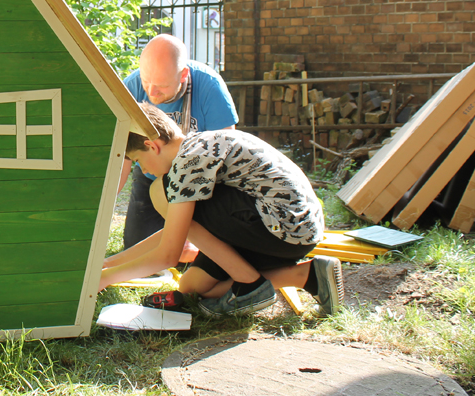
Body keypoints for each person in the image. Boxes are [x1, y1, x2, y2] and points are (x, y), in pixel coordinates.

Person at [101, 104, 343, 317]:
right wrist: (107, 264)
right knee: (192, 287)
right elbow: (178, 232)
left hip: (283, 228)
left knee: (158, 191)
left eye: (138, 161)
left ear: (151, 146)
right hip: (289, 231)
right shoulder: (197, 147)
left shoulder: (189, 161)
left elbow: (168, 255)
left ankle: (249, 284)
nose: (144, 170)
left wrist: (103, 279)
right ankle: (308, 276)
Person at [120, 34, 238, 252]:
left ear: (183, 75)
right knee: (136, 248)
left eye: (162, 86)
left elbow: (226, 154)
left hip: (202, 179)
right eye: (146, 81)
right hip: (151, 172)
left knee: (201, 250)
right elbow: (120, 158)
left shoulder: (210, 86)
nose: (151, 92)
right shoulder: (131, 86)